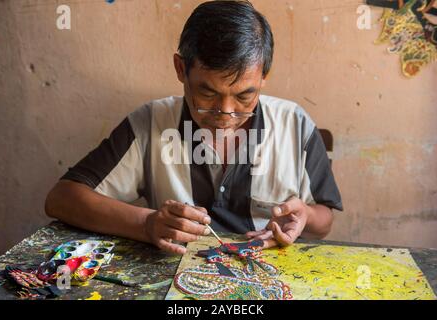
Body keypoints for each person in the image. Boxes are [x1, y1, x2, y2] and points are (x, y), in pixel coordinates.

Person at [45, 0, 343, 255]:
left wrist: (306, 217)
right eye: (208, 93)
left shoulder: (295, 124)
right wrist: (147, 224)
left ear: (264, 75)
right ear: (180, 69)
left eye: (244, 96)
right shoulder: (151, 122)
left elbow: (324, 220)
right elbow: (62, 198)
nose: (225, 112)